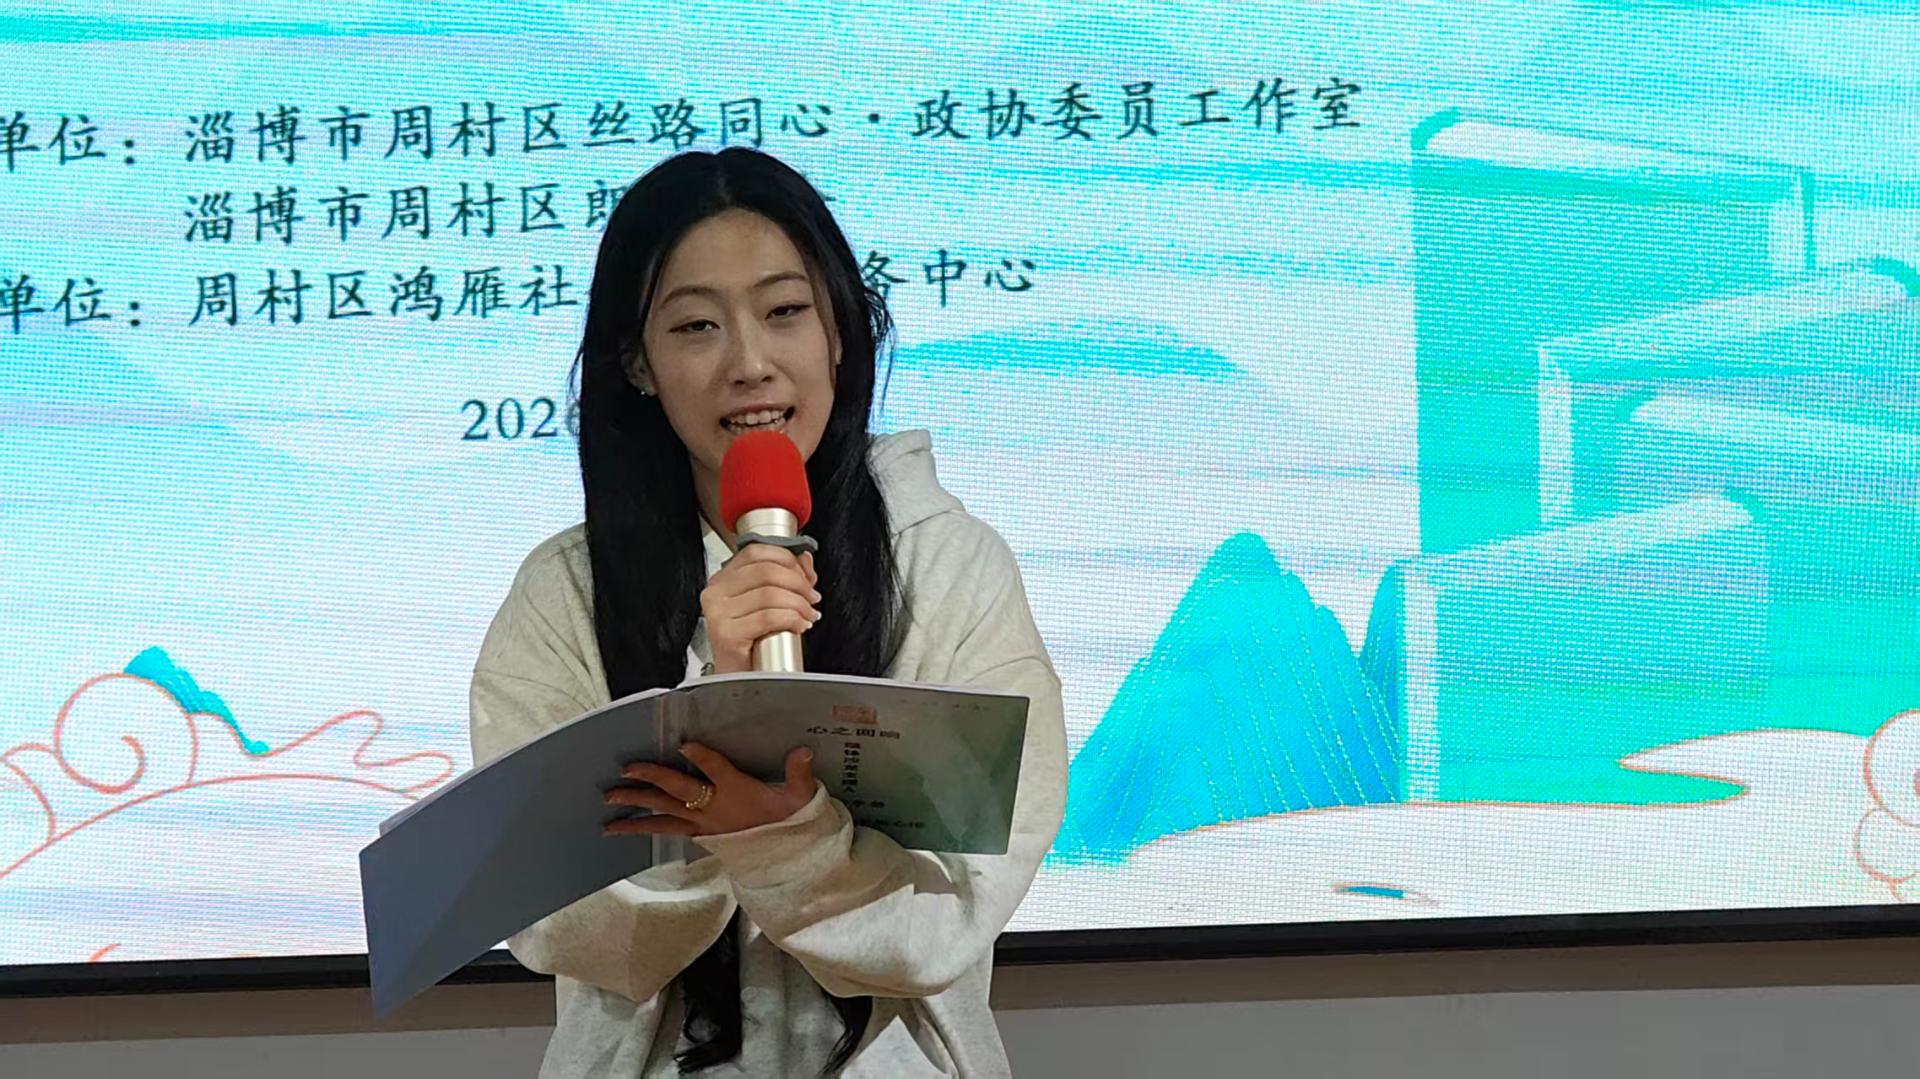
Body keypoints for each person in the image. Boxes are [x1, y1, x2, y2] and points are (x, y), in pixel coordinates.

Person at [467, 147, 1067, 1078]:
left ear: (841, 331)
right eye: (697, 326)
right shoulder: (565, 595)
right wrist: (716, 730)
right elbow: (554, 922)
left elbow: (957, 912)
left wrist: (785, 837)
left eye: (786, 311)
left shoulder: (951, 567)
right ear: (638, 363)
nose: (750, 363)